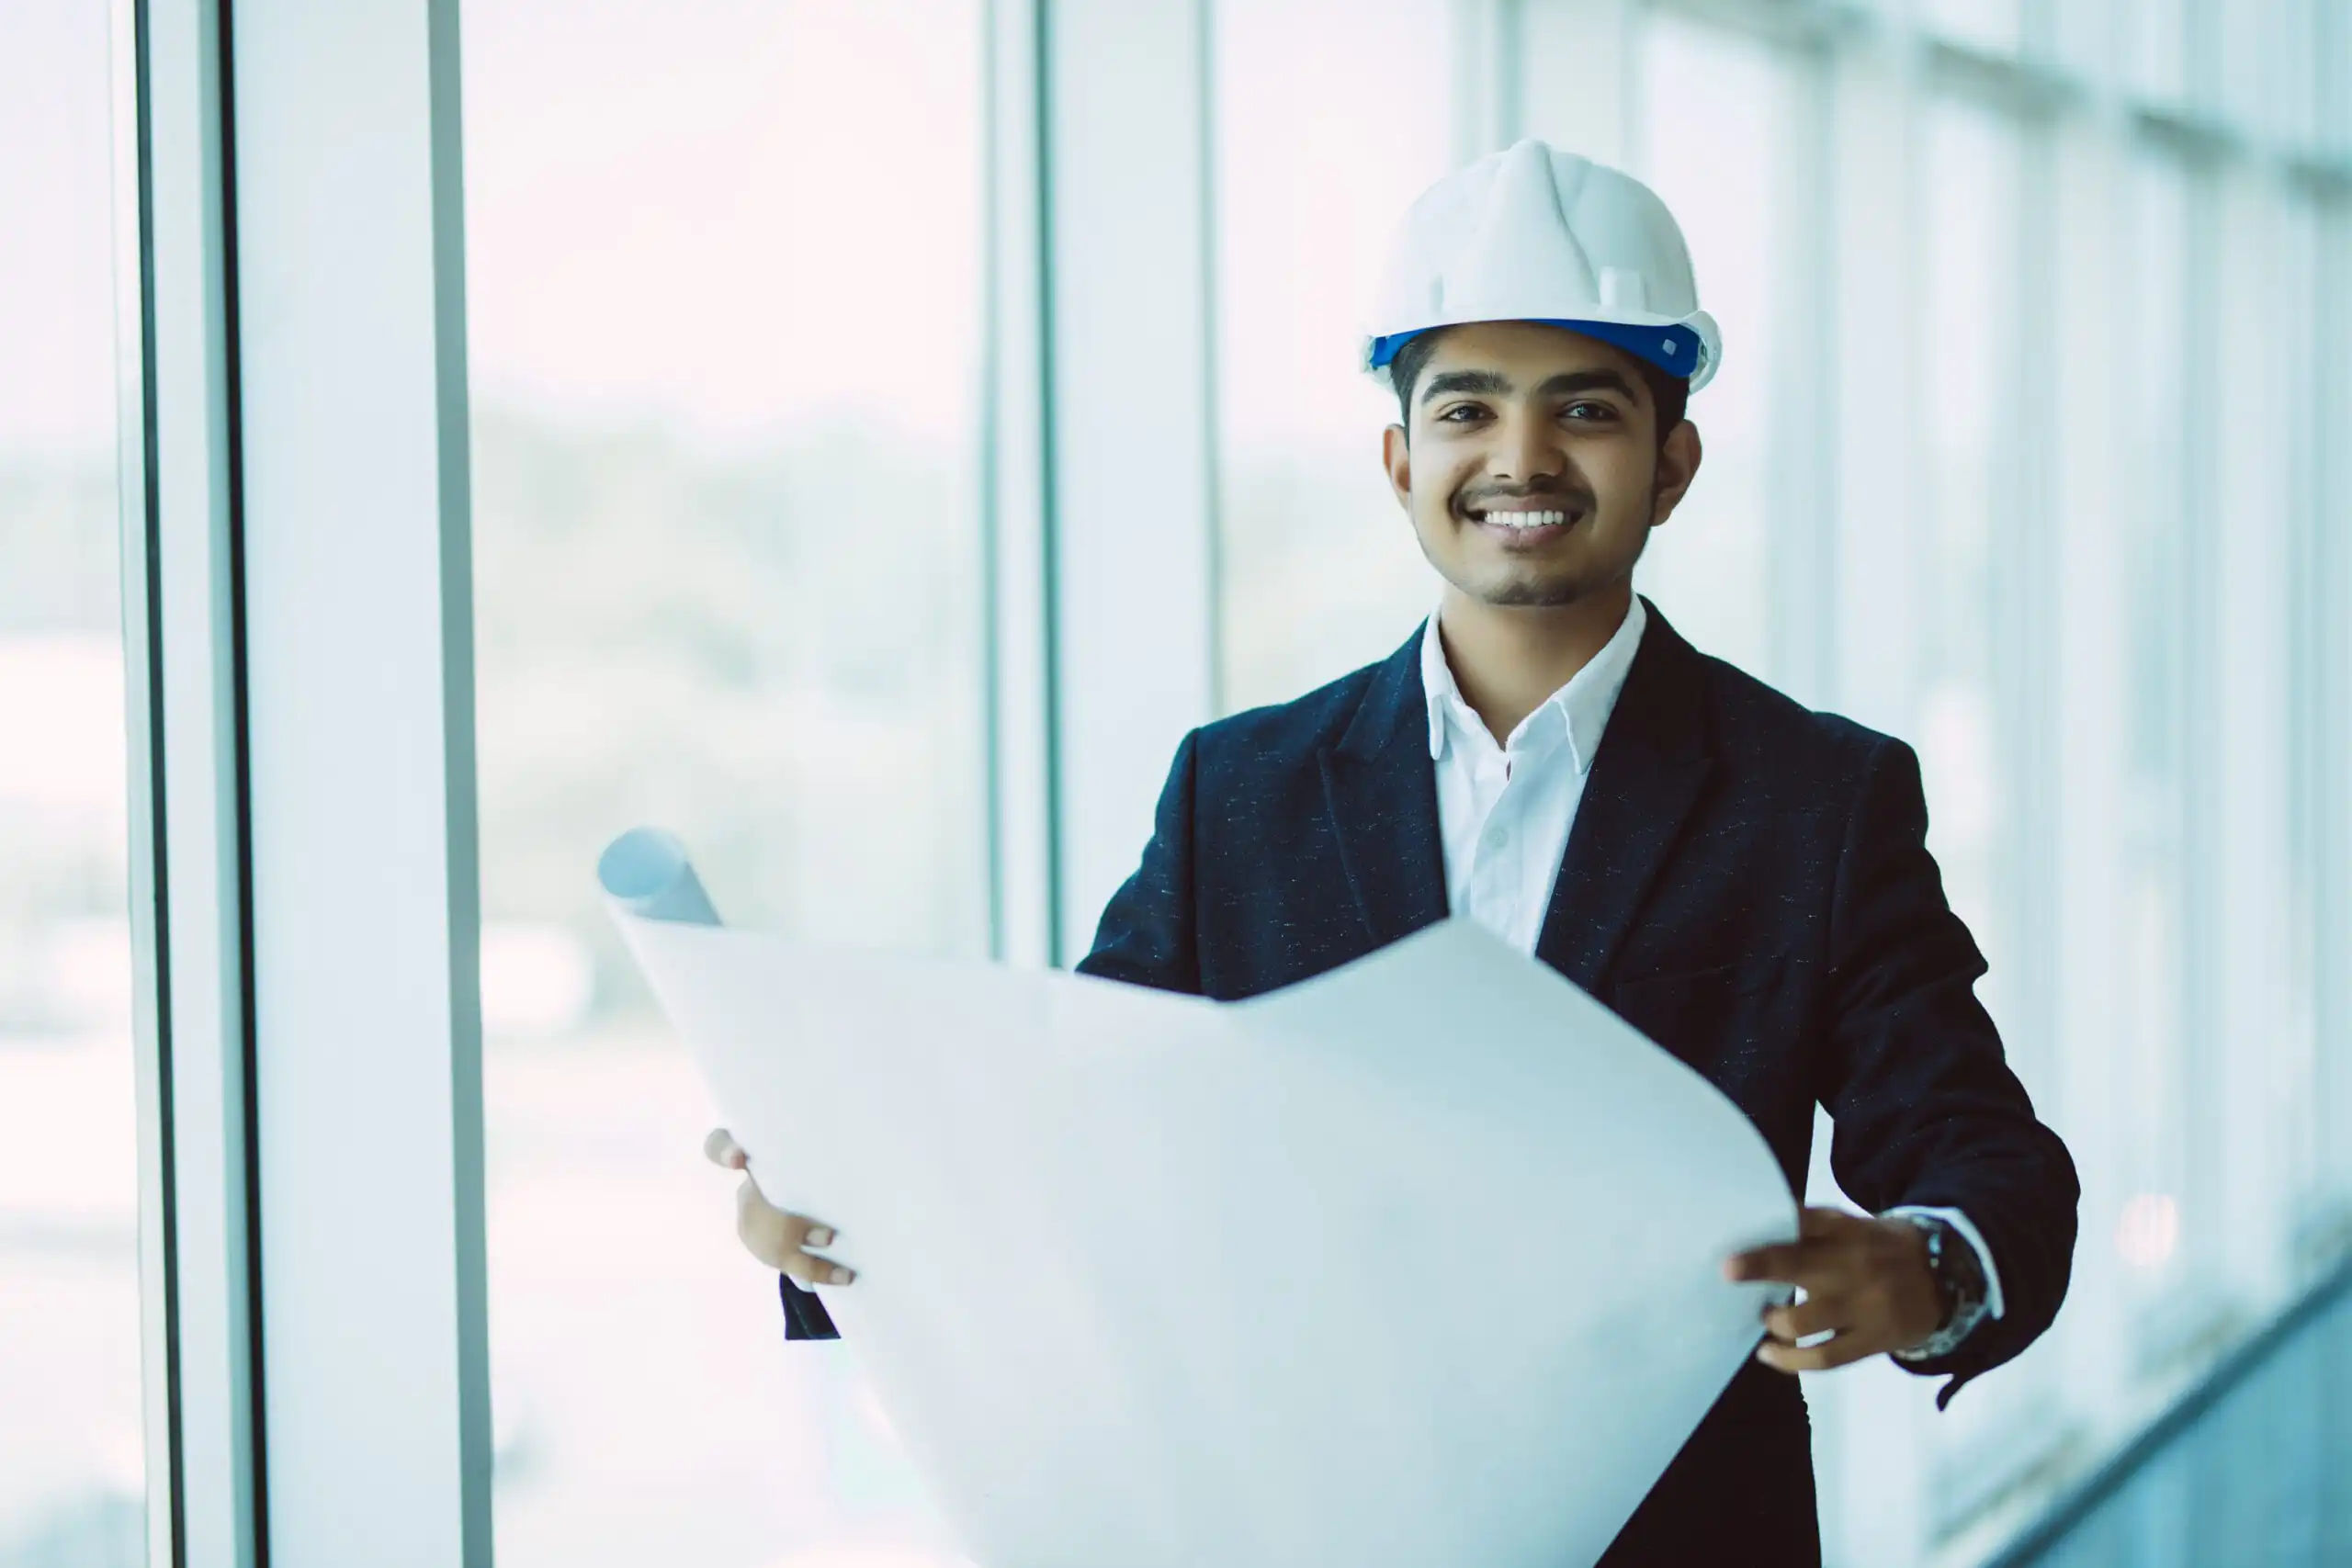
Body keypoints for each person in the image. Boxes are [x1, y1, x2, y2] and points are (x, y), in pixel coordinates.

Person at [705, 139, 2078, 1562]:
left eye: (1587, 409)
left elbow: (1992, 1161)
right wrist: (836, 1191)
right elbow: (1085, 1137)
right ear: (1399, 458)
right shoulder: (1240, 789)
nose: (1522, 458)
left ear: (1672, 462)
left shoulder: (1816, 799)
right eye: (1467, 408)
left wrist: (1930, 1267)